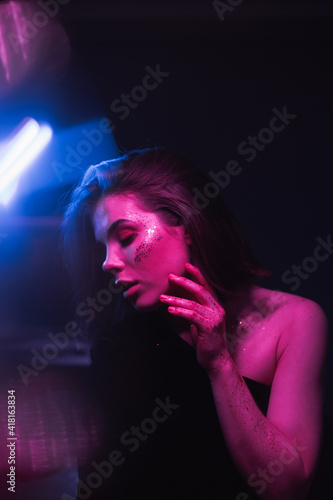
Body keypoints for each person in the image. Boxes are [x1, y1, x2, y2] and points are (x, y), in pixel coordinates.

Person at [61, 147, 328, 500]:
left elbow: (287, 487)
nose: (108, 263)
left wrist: (219, 363)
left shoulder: (294, 319)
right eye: (103, 248)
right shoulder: (120, 350)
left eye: (126, 238)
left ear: (185, 223)